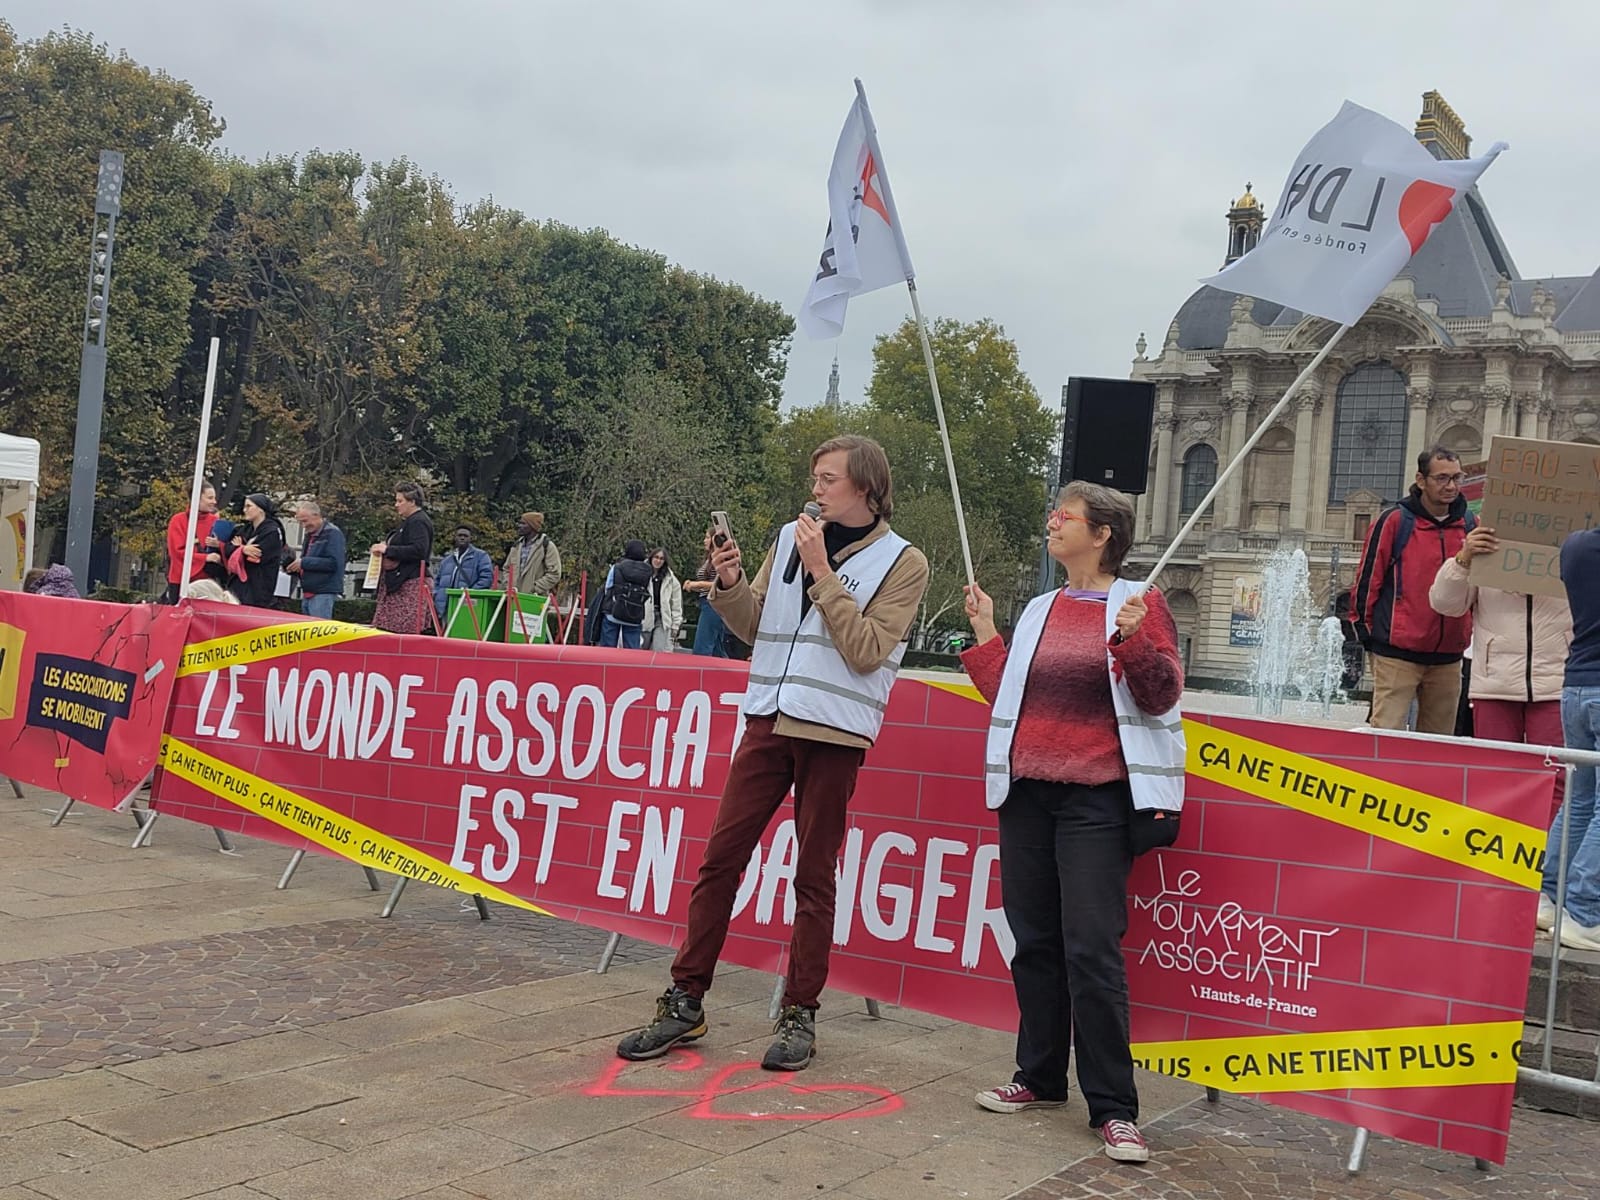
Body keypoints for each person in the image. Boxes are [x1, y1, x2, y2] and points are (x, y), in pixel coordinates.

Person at [616, 435, 929, 1072]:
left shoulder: (904, 562)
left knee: (813, 877)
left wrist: (822, 572)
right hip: (768, 722)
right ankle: (685, 1000)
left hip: (834, 734)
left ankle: (800, 1012)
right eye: (814, 477)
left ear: (865, 488)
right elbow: (755, 625)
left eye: (828, 478)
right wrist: (730, 581)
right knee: (719, 860)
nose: (815, 488)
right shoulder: (790, 536)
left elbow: (867, 649)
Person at [958, 481, 1184, 1165]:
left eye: (1066, 517)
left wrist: (1134, 641)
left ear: (1103, 534)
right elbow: (1009, 695)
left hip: (1096, 799)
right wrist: (986, 634)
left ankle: (1114, 1108)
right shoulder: (1039, 608)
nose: (1052, 523)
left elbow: (1161, 693)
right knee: (1034, 940)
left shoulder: (1142, 605)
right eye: (1053, 513)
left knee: (1090, 945)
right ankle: (1040, 1075)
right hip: (1028, 792)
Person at [1430, 524, 1570, 828]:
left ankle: (1546, 862)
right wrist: (1464, 558)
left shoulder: (1575, 545)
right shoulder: (1485, 545)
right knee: (1495, 776)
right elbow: (1444, 603)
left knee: (1555, 779)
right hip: (1494, 684)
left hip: (1555, 683)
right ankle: (1499, 861)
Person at [1352, 446, 1477, 734]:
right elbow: (1368, 580)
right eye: (1442, 478)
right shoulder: (1394, 521)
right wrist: (1368, 637)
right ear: (1421, 480)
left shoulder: (1471, 525)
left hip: (1448, 655)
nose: (1452, 486)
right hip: (1397, 653)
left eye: (1457, 478)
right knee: (1385, 736)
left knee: (1438, 743)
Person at [1545, 525, 1600, 951]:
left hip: (1576, 683)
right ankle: (1584, 912)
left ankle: (1549, 899)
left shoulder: (1576, 544)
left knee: (1579, 799)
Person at [372, 483, 436, 635]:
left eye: (400, 501)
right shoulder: (411, 521)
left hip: (409, 583)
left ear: (412, 501)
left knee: (402, 630)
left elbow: (419, 550)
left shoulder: (418, 521)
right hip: (403, 582)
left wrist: (388, 549)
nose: (396, 505)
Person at [285, 501, 347, 619]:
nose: (303, 526)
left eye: (305, 521)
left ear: (316, 516)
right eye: (300, 522)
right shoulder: (310, 534)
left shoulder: (333, 533)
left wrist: (303, 563)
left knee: (319, 632)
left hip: (322, 591)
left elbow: (333, 563)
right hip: (310, 590)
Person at [162, 482, 219, 604]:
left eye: (214, 498)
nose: (214, 502)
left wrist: (219, 546)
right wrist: (205, 557)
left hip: (207, 581)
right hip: (181, 579)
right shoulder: (178, 520)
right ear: (196, 498)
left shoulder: (215, 521)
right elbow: (177, 552)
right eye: (210, 498)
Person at [226, 495, 286, 609]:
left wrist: (239, 549)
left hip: (257, 588)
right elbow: (228, 549)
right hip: (238, 585)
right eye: (244, 506)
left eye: (248, 506)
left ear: (261, 509)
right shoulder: (245, 529)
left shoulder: (271, 531)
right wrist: (242, 549)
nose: (245, 510)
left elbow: (255, 556)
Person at [598, 540, 652, 650]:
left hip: (613, 611)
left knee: (607, 649)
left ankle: (607, 667)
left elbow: (608, 587)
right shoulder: (648, 570)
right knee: (632, 651)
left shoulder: (617, 567)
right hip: (634, 614)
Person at [433, 525, 494, 620]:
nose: (462, 538)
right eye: (459, 535)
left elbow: (486, 578)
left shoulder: (481, 556)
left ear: (471, 538)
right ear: (455, 537)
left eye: (465, 536)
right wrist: (437, 594)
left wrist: (470, 593)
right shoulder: (447, 560)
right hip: (444, 607)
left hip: (467, 606)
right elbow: (438, 580)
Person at [503, 512, 561, 597]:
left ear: (532, 526)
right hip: (512, 597)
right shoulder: (516, 546)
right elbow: (507, 568)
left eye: (523, 523)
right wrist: (508, 585)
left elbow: (554, 574)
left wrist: (535, 588)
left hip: (535, 599)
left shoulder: (547, 546)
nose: (519, 526)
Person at [686, 551, 729, 657]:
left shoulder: (720, 558)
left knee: (702, 647)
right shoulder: (709, 558)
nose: (705, 540)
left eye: (707, 538)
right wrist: (693, 586)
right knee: (716, 649)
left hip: (713, 603)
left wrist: (698, 584)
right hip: (706, 601)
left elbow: (721, 583)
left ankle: (699, 671)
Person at [642, 547, 683, 652]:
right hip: (644, 617)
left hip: (662, 619)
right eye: (656, 557)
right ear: (651, 558)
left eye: (661, 558)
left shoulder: (671, 579)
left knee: (659, 650)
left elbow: (676, 604)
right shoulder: (641, 573)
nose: (658, 561)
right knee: (641, 650)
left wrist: (676, 624)